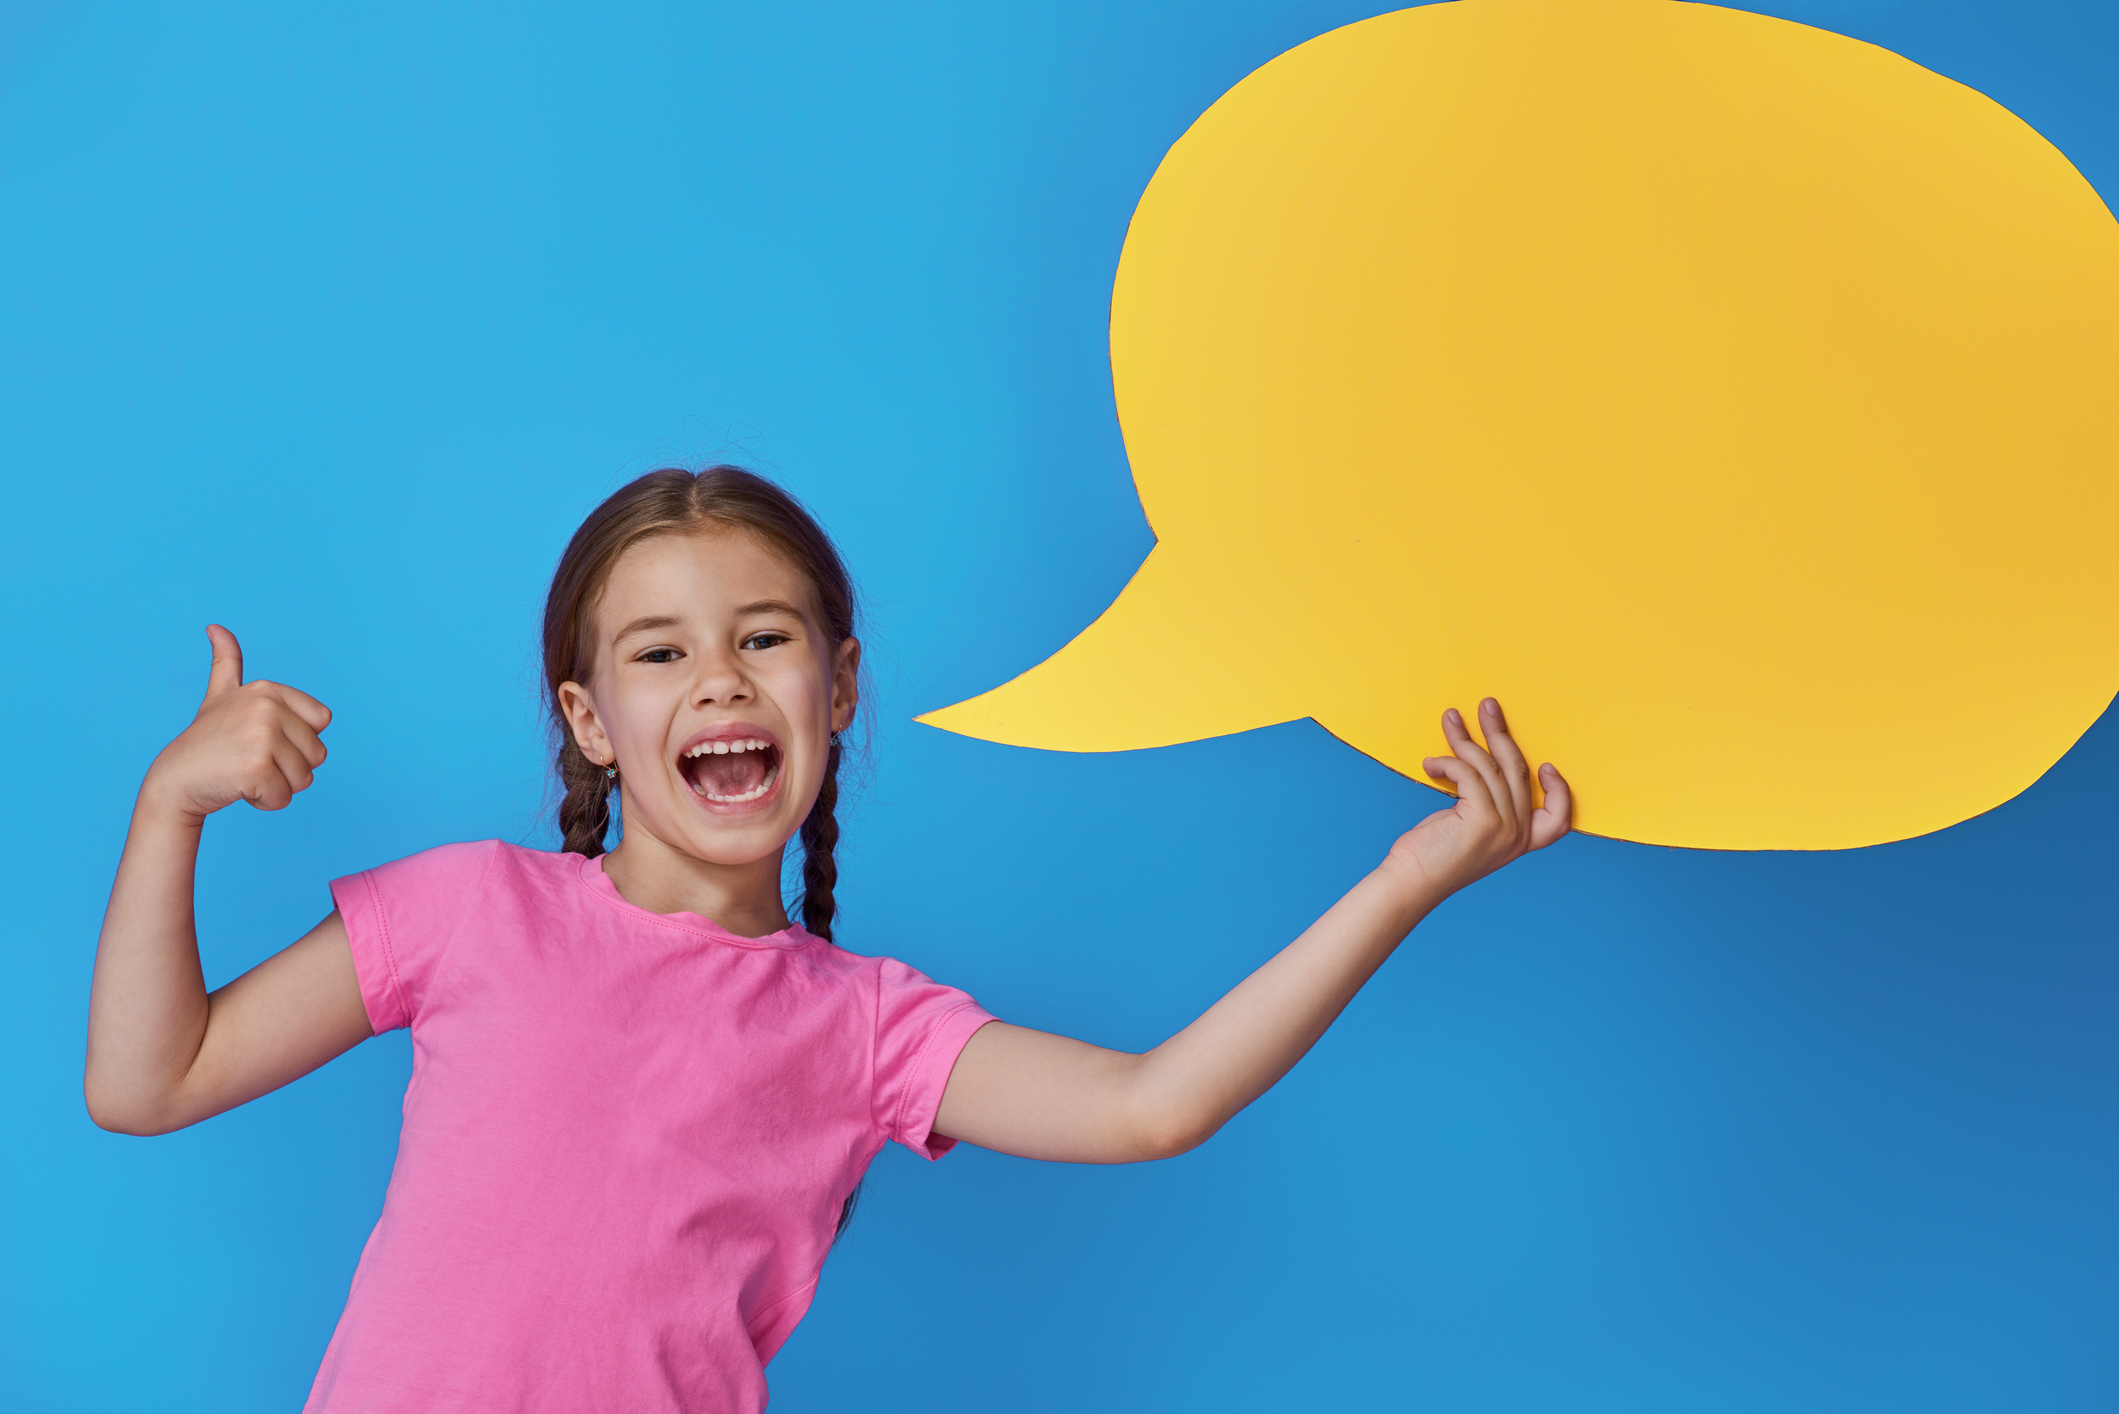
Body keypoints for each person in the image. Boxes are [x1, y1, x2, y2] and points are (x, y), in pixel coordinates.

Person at [85, 466, 1573, 1412]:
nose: (720, 678)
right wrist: (175, 810)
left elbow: (1150, 1102)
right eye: (662, 652)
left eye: (765, 636)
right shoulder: (473, 907)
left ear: (840, 684)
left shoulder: (865, 1025)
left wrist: (1410, 876)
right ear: (593, 722)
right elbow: (148, 1081)